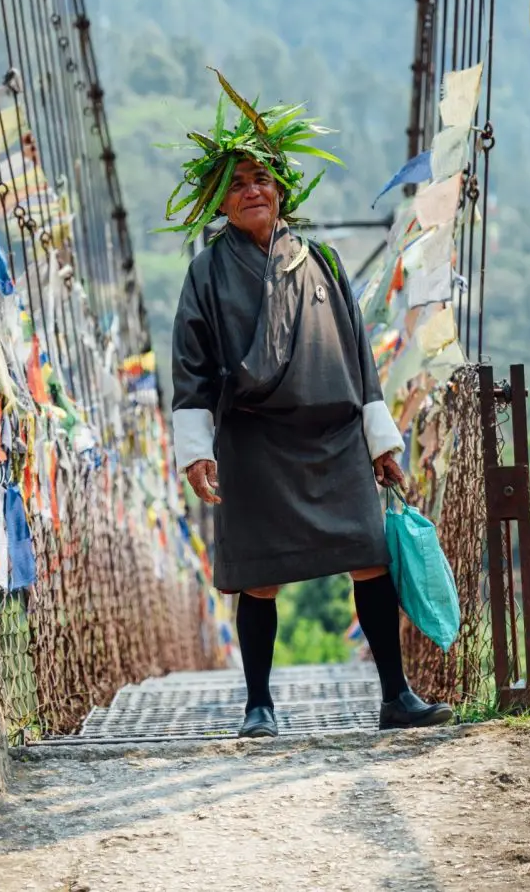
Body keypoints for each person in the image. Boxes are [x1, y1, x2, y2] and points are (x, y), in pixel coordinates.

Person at [167, 70, 454, 739]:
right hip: (253, 440)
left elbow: (359, 354)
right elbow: (191, 367)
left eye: (261, 179)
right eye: (237, 183)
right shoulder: (206, 273)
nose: (252, 191)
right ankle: (258, 706)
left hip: (337, 438)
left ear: (282, 189)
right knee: (259, 579)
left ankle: (396, 695)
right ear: (220, 200)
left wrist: (382, 441)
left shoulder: (321, 259)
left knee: (371, 557)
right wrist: (196, 451)